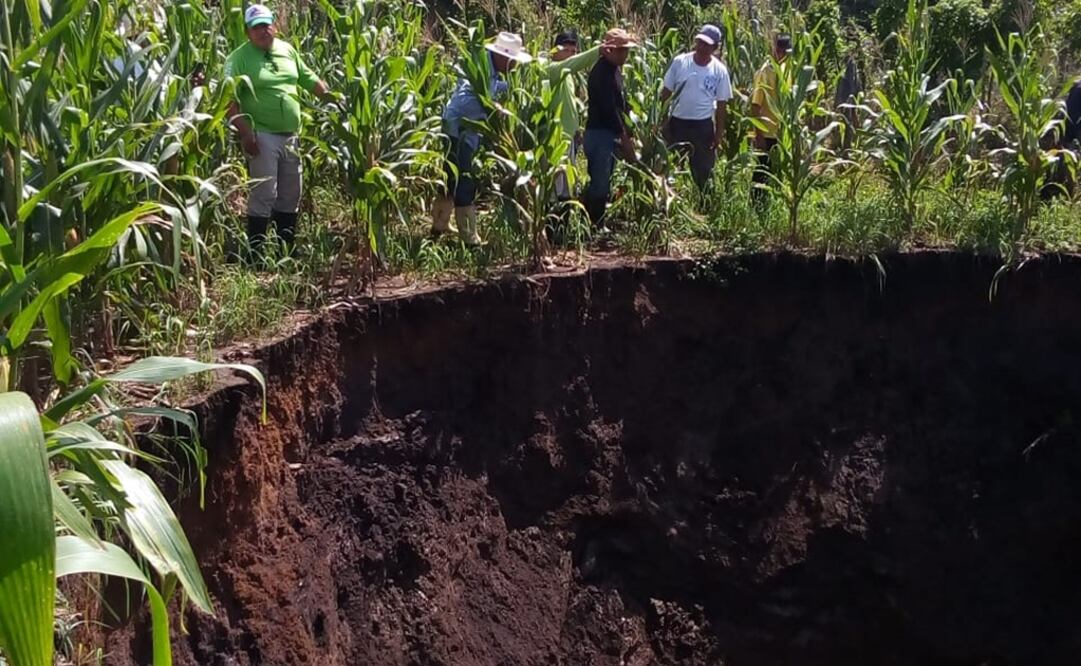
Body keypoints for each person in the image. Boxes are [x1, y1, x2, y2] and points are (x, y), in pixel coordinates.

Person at [224, 4, 335, 258]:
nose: (263, 31)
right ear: (247, 32)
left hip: (291, 135)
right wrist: (245, 133)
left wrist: (334, 98)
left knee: (290, 193)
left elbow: (309, 79)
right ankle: (256, 254)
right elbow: (229, 100)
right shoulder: (238, 58)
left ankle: (286, 249)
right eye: (257, 27)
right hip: (261, 135)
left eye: (266, 24)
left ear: (274, 24)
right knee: (264, 193)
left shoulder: (287, 51)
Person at [432, 32, 532, 245]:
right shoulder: (481, 68)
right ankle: (469, 239)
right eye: (513, 62)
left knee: (452, 178)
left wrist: (509, 90)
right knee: (463, 178)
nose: (514, 67)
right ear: (504, 57)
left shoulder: (492, 69)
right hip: (458, 131)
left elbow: (493, 87)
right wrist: (490, 107)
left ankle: (439, 227)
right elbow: (462, 101)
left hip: (464, 131)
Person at [660, 24, 733, 190]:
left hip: (703, 127)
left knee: (703, 171)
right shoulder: (680, 62)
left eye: (707, 44)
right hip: (677, 124)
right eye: (699, 42)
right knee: (670, 166)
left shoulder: (719, 71)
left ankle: (703, 204)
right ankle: (671, 204)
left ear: (715, 47)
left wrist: (718, 133)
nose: (701, 47)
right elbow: (665, 93)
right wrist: (663, 122)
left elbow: (722, 104)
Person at [583, 28, 638, 229]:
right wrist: (624, 137)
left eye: (626, 50)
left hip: (608, 133)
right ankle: (595, 225)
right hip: (600, 134)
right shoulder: (602, 74)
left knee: (605, 179)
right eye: (621, 50)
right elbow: (609, 110)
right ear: (609, 51)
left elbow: (620, 103)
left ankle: (597, 221)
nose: (625, 54)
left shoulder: (614, 70)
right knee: (600, 181)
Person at [545, 31, 601, 202]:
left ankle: (564, 224)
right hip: (556, 140)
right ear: (554, 51)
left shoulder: (568, 76)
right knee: (557, 188)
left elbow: (569, 106)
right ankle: (554, 225)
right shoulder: (551, 70)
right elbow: (574, 63)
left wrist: (577, 129)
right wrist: (600, 50)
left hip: (569, 138)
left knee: (567, 186)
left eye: (573, 51)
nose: (570, 55)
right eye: (566, 50)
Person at [750, 33, 791, 207]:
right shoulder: (765, 71)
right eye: (782, 52)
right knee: (762, 170)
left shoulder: (786, 70)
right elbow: (755, 105)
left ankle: (768, 205)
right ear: (777, 50)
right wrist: (758, 135)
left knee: (773, 171)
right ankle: (755, 205)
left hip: (781, 131)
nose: (784, 56)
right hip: (766, 131)